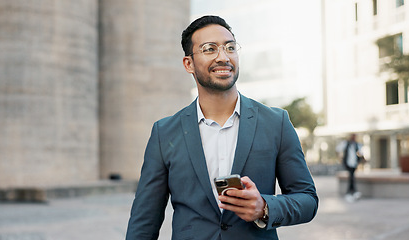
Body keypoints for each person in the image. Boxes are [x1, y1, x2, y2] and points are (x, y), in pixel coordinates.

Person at [126, 15, 318, 240]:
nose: (223, 57)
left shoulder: (277, 123)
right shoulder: (164, 132)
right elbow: (144, 220)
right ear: (188, 63)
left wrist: (265, 207)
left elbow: (307, 199)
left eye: (230, 47)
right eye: (209, 49)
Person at [336, 133, 364, 201]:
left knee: (352, 177)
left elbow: (361, 153)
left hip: (354, 164)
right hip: (348, 163)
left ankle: (351, 192)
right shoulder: (346, 143)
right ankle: (352, 192)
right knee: (351, 177)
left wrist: (361, 159)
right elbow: (338, 149)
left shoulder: (357, 145)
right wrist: (340, 158)